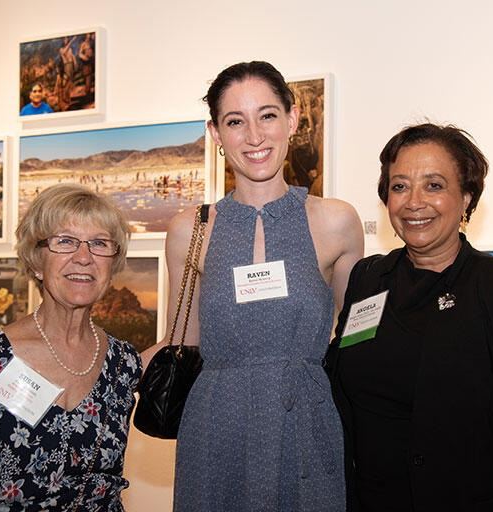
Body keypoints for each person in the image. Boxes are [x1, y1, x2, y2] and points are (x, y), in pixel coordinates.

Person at [142, 61, 363, 510]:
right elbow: (181, 342)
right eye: (235, 121)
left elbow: (355, 342)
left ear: (293, 119)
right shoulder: (190, 229)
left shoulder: (336, 221)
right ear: (215, 134)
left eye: (267, 115)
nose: (255, 136)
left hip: (306, 422)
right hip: (216, 425)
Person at [324, 123, 493, 511]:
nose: (414, 202)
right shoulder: (367, 280)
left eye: (434, 185)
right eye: (399, 186)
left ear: (467, 197)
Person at [0, 184, 142, 511]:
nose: (84, 257)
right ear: (36, 261)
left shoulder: (124, 364)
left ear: (112, 263)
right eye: (65, 241)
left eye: (99, 243)